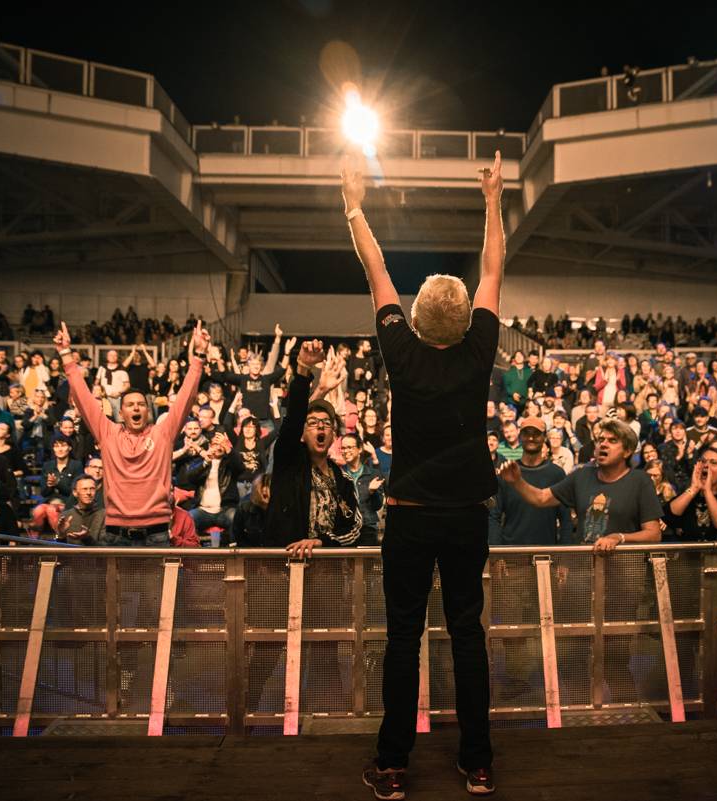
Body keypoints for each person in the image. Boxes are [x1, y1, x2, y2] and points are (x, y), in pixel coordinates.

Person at [346, 151, 502, 798]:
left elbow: (376, 268)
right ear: (466, 320)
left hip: (409, 515)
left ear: (414, 319)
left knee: (404, 638)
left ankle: (392, 764)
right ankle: (478, 762)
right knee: (467, 633)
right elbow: (492, 267)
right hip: (467, 515)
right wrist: (492, 200)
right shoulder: (480, 348)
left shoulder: (401, 351)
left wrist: (353, 204)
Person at [55, 318, 208, 546]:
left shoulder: (163, 433)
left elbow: (186, 397)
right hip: (117, 533)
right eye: (130, 405)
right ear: (121, 412)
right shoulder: (108, 433)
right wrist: (66, 354)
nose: (136, 408)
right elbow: (84, 398)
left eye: (141, 404)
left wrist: (199, 357)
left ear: (148, 410)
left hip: (157, 533)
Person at [499, 419, 663, 550]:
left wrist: (619, 538)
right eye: (600, 440)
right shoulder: (582, 476)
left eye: (612, 440)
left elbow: (654, 534)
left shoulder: (640, 481)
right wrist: (517, 481)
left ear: (627, 451)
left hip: (624, 573)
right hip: (584, 570)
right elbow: (541, 498)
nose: (603, 444)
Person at [262, 341, 362, 553]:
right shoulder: (289, 462)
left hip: (328, 567)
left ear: (333, 435)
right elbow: (294, 418)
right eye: (313, 423)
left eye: (326, 423)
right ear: (303, 434)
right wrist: (303, 369)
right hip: (285, 563)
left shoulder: (343, 479)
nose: (321, 427)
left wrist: (322, 542)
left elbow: (354, 528)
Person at [489, 417, 573, 546]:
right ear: (520, 436)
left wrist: (563, 554)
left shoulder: (557, 474)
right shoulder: (508, 472)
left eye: (536, 434)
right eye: (526, 433)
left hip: (547, 551)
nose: (531, 438)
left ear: (544, 437)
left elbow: (566, 520)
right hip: (512, 550)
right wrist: (498, 551)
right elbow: (494, 516)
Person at [664, 444, 717, 541]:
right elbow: (667, 517)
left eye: (713, 463)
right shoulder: (689, 497)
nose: (706, 465)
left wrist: (707, 491)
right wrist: (694, 488)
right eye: (703, 461)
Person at [341, 433, 385, 547]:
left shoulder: (373, 473)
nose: (345, 451)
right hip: (346, 529)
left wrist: (372, 492)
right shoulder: (339, 474)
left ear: (360, 449)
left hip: (367, 528)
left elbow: (377, 506)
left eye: (349, 447)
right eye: (343, 448)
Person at [55, 474, 105, 545]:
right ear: (75, 492)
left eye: (92, 489)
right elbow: (58, 548)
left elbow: (106, 547)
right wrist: (61, 535)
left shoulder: (104, 515)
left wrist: (87, 538)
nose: (88, 493)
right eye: (84, 489)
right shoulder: (65, 516)